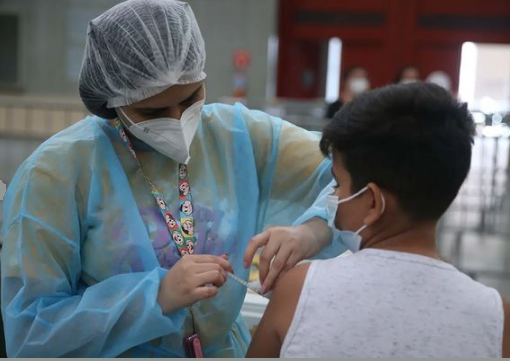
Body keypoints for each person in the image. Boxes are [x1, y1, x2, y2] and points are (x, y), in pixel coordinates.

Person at [0, 0, 337, 357]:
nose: (178, 121)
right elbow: (31, 332)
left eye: (191, 98)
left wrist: (312, 230)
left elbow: (361, 173)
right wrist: (155, 298)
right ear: (112, 100)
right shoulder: (59, 172)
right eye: (152, 112)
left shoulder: (238, 136)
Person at [247, 82, 510, 358]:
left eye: (338, 184)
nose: (333, 196)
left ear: (373, 202)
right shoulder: (496, 317)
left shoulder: (300, 290)